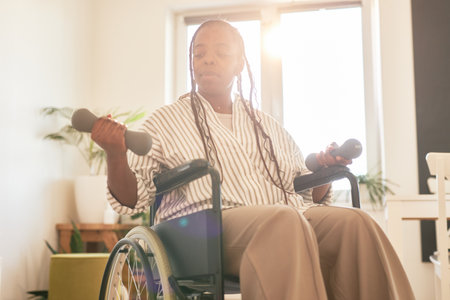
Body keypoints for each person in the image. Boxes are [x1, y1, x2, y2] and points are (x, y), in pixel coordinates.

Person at [91, 20, 415, 300]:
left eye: (221, 52)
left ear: (239, 63)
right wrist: (116, 153)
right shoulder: (164, 121)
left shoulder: (266, 124)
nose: (207, 60)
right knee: (283, 221)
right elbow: (131, 200)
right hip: (204, 229)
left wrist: (326, 172)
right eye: (199, 53)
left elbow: (303, 190)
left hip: (287, 218)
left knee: (354, 224)